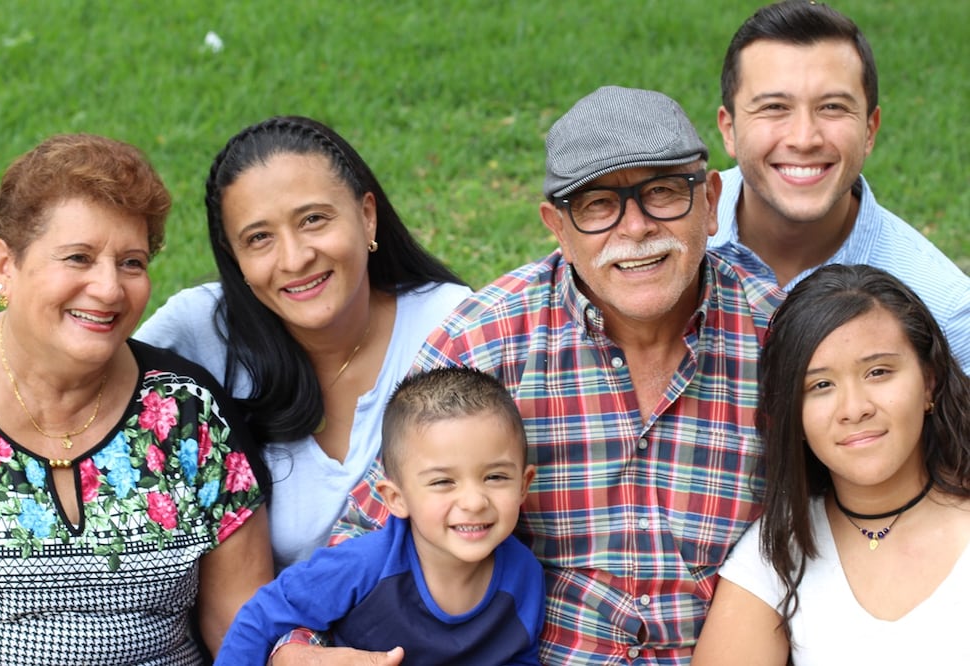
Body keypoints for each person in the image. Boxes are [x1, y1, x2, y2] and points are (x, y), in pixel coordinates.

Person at [273, 86, 786, 665]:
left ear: (712, 200)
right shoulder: (485, 341)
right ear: (557, 227)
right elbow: (377, 521)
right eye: (597, 205)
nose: (636, 227)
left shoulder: (780, 340)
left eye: (663, 192)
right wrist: (297, 649)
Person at [0, 134, 273, 664]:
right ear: (4, 266)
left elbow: (242, 626)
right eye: (79, 257)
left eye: (132, 262)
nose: (110, 289)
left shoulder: (189, 412)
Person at [135, 116, 471, 572]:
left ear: (367, 217)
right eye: (259, 238)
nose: (295, 258)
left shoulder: (450, 327)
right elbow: (73, 383)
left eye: (313, 219)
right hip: (265, 633)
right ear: (234, 257)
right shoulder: (201, 329)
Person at [692, 264, 970, 665]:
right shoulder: (777, 550)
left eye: (878, 372)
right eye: (820, 385)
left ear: (929, 381)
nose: (854, 409)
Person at [214, 367, 543, 666]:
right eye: (443, 482)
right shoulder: (363, 565)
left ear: (523, 485)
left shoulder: (524, 575)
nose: (473, 501)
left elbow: (519, 656)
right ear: (396, 499)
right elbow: (261, 616)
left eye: (496, 477)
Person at [711, 0, 970, 371]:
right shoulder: (666, 238)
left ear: (869, 130)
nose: (804, 138)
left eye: (832, 107)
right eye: (774, 107)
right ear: (729, 130)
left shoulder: (945, 311)